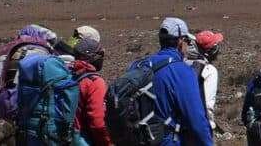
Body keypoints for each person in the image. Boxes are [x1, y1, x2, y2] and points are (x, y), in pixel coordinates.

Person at [128, 17, 213, 145]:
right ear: (180, 41)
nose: (188, 46)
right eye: (187, 41)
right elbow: (196, 120)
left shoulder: (137, 65)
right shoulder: (182, 71)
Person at [69, 36, 111, 146]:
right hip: (83, 138)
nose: (102, 58)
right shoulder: (95, 82)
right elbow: (97, 122)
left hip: (66, 135)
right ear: (92, 57)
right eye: (100, 54)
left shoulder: (69, 73)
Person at [186, 30, 225, 134]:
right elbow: (207, 103)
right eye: (215, 46)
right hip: (198, 125)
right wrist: (209, 126)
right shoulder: (209, 70)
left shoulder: (184, 64)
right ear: (210, 51)